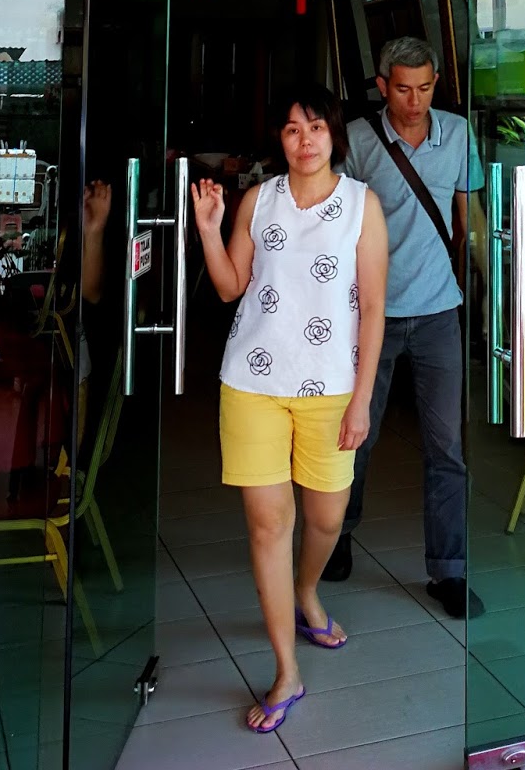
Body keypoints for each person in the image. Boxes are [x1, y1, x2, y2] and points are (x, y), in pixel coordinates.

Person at [192, 86, 388, 735]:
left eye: (315, 129)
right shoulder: (260, 199)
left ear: (335, 136)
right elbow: (229, 287)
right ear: (280, 140)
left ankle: (307, 590)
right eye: (291, 130)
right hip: (250, 383)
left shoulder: (362, 207)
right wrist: (209, 229)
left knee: (325, 519)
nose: (303, 141)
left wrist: (361, 398)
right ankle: (286, 671)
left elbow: (373, 310)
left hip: (330, 389)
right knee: (267, 527)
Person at [324, 36, 483, 619]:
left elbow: (469, 219)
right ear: (382, 85)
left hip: (439, 311)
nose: (414, 102)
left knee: (447, 448)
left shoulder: (458, 134)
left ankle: (449, 570)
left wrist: (494, 285)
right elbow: (334, 218)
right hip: (371, 317)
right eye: (402, 89)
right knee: (354, 437)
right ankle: (336, 536)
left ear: (435, 84)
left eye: (424, 88)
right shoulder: (361, 141)